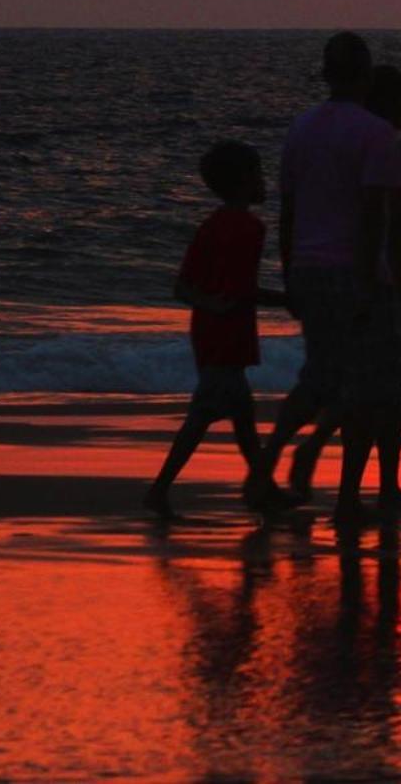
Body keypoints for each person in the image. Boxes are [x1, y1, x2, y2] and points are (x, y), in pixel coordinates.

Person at [244, 31, 401, 529]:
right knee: (365, 387)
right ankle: (347, 497)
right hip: (352, 273)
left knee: (318, 378)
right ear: (364, 76)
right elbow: (374, 215)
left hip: (309, 269)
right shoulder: (377, 135)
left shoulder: (301, 129)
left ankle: (266, 466)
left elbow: (288, 210)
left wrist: (289, 270)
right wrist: (372, 280)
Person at [288, 65, 401, 509]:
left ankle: (355, 477)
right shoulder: (396, 151)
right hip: (390, 280)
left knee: (361, 385)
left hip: (360, 276)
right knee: (386, 392)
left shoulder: (360, 149)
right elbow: (396, 227)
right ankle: (379, 486)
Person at [144, 141, 288, 519]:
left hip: (208, 329)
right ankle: (159, 490)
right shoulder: (249, 228)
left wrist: (210, 305)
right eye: (258, 175)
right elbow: (245, 290)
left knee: (242, 414)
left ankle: (263, 488)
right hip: (227, 332)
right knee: (204, 415)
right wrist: (292, 301)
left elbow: (183, 287)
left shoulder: (209, 225)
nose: (264, 182)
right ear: (243, 182)